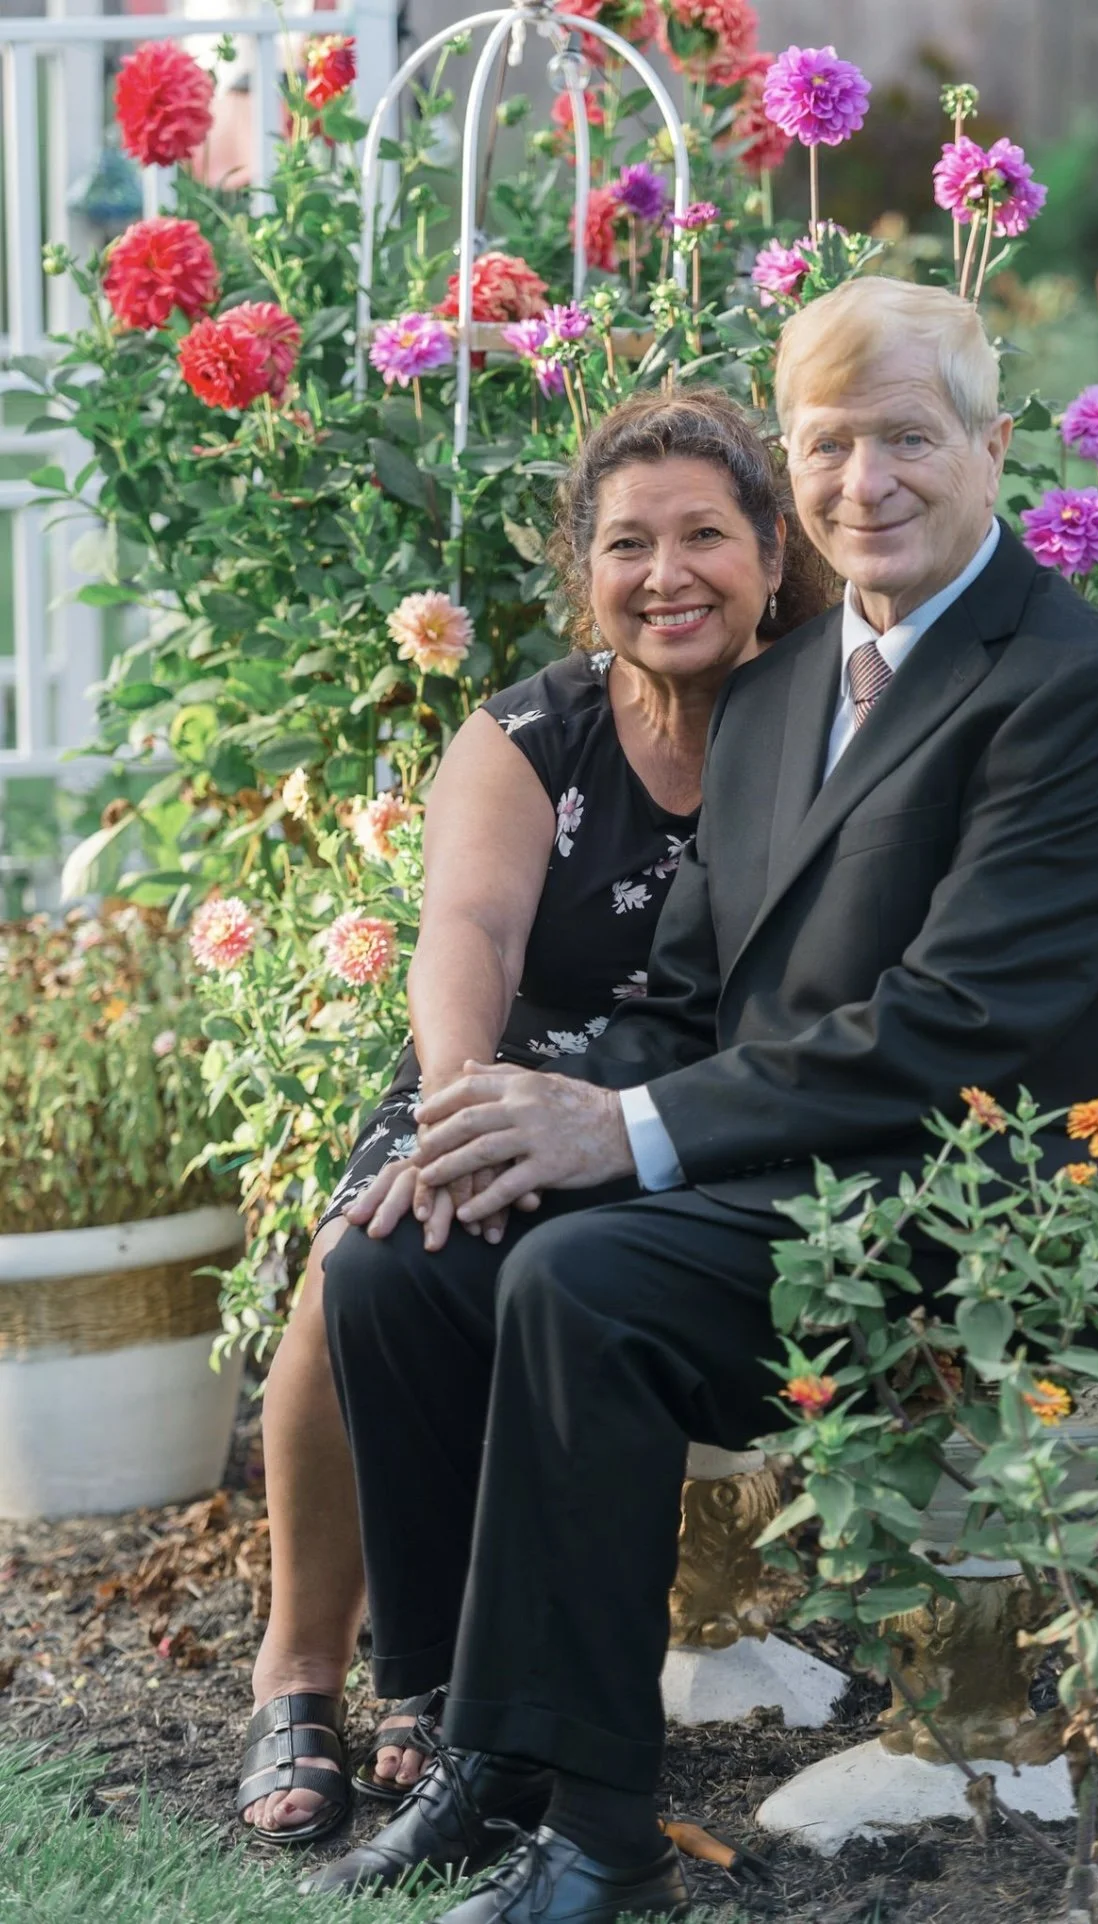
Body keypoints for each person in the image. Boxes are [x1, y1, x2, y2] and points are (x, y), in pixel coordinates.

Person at [310, 276, 1098, 1922]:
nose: (869, 482)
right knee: (403, 1257)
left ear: (995, 447)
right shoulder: (788, 689)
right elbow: (690, 993)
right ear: (792, 472)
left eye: (909, 439)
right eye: (832, 444)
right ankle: (478, 1752)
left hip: (973, 1210)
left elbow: (953, 1026)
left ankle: (601, 1838)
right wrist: (516, 1120)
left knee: (582, 1276)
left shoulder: (1072, 697)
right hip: (777, 1175)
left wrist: (623, 1142)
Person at [235, 389, 833, 1842]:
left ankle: (483, 1698)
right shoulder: (533, 731)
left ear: (772, 548)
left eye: (706, 534)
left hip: (695, 1089)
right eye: (628, 542)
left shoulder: (830, 706)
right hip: (508, 1057)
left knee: (510, 1264)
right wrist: (460, 1117)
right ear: (585, 571)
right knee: (371, 1249)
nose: (667, 573)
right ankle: (341, 1678)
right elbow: (469, 931)